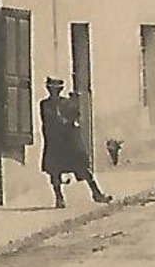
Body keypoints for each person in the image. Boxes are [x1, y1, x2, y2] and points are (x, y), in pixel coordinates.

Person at [41, 79, 112, 208]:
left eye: (57, 89)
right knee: (55, 171)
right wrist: (65, 120)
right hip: (55, 141)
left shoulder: (66, 102)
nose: (54, 92)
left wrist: (75, 103)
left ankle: (96, 194)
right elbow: (53, 120)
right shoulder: (45, 104)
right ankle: (59, 198)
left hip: (69, 141)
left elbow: (75, 116)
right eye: (52, 89)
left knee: (83, 167)